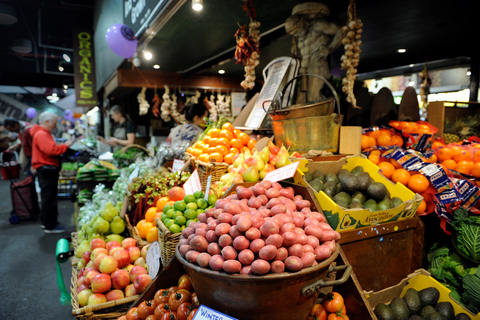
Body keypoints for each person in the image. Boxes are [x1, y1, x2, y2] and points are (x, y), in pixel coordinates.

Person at [285, 2, 342, 103]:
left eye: (297, 31)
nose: (297, 35)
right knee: (301, 100)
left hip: (317, 65)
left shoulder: (317, 26)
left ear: (301, 23)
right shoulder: (301, 37)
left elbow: (341, 31)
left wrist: (329, 48)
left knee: (314, 98)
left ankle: (323, 117)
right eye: (294, 33)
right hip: (304, 69)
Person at [30, 111, 72, 233]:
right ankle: (50, 225)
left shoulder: (40, 133)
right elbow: (52, 150)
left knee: (47, 196)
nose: (55, 125)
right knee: (49, 197)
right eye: (54, 122)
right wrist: (65, 145)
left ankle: (47, 221)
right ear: (47, 122)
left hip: (44, 168)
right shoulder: (41, 134)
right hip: (47, 169)